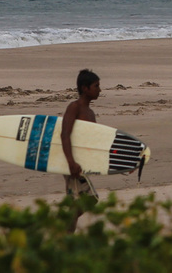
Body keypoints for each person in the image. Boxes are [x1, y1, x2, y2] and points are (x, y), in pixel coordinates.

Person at [61, 68, 101, 229]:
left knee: (76, 202)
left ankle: (65, 237)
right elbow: (65, 134)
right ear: (85, 88)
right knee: (90, 199)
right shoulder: (74, 107)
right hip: (71, 163)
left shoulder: (90, 113)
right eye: (96, 86)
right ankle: (63, 233)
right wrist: (71, 162)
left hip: (80, 163)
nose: (99, 90)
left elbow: (93, 143)